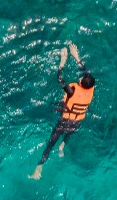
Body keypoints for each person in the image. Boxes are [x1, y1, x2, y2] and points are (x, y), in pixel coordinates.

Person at [31, 44, 95, 177]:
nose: (81, 77)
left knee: (50, 144)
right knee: (68, 134)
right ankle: (62, 146)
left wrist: (63, 61)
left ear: (81, 83)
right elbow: (87, 72)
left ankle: (39, 167)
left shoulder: (72, 91)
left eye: (81, 79)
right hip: (76, 121)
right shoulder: (90, 88)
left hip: (64, 120)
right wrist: (76, 57)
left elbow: (59, 79)